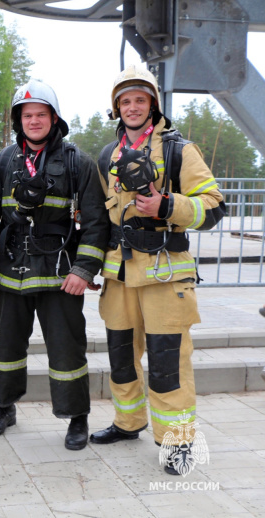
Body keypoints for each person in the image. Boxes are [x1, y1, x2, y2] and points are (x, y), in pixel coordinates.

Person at [89, 65, 225, 475]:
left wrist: (168, 206)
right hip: (120, 275)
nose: (132, 107)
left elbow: (214, 205)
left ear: (152, 105)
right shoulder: (106, 156)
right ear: (117, 108)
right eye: (125, 101)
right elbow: (100, 216)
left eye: (140, 100)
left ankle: (178, 442)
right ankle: (128, 422)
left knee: (168, 363)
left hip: (166, 273)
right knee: (121, 358)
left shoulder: (179, 150)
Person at [0, 80, 109, 450]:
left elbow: (97, 222)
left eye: (40, 114)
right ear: (18, 120)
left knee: (68, 351)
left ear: (54, 118)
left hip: (60, 275)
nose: (33, 121)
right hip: (10, 272)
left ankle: (77, 417)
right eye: (26, 115)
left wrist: (84, 270)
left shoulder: (77, 162)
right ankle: (3, 408)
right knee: (6, 348)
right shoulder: (3, 161)